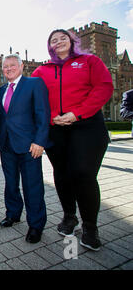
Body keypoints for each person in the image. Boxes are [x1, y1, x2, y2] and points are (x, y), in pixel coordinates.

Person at [31, 29, 114, 251]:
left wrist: (77, 113)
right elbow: (32, 98)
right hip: (56, 129)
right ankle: (69, 216)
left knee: (83, 174)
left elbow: (104, 87)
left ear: (72, 41)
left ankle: (90, 227)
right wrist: (51, 118)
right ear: (49, 47)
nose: (58, 42)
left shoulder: (90, 61)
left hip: (87, 126)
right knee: (62, 174)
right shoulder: (42, 70)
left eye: (62, 38)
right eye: (53, 40)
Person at [0, 54, 50, 244]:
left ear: (21, 66)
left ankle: (36, 225)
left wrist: (40, 141)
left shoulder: (34, 84)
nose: (8, 69)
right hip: (6, 145)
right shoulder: (1, 90)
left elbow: (43, 113)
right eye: (5, 66)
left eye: (12, 65)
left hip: (30, 146)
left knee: (32, 186)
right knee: (11, 184)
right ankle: (13, 214)